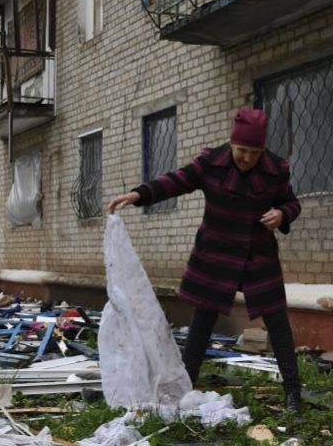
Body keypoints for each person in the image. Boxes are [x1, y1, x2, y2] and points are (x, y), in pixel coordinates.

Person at [108, 108, 303, 411]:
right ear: (232, 142)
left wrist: (282, 214)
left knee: (278, 322)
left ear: (262, 149)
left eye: (254, 152)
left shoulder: (276, 169)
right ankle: (185, 387)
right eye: (241, 150)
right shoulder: (211, 163)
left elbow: (291, 202)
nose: (247, 158)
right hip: (216, 255)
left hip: (258, 257)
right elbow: (176, 180)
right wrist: (138, 195)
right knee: (202, 322)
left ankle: (293, 394)